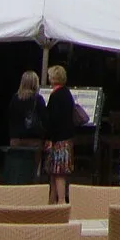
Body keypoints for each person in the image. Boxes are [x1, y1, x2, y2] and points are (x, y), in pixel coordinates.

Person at [40, 65, 85, 205]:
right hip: (67, 138)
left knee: (58, 173)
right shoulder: (67, 94)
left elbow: (52, 120)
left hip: (58, 140)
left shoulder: (56, 96)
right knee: (54, 173)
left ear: (54, 78)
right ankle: (51, 200)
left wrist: (48, 138)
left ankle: (60, 201)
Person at [7, 71, 45, 147]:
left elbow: (10, 117)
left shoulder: (14, 98)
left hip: (16, 139)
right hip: (34, 140)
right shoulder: (38, 99)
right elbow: (44, 119)